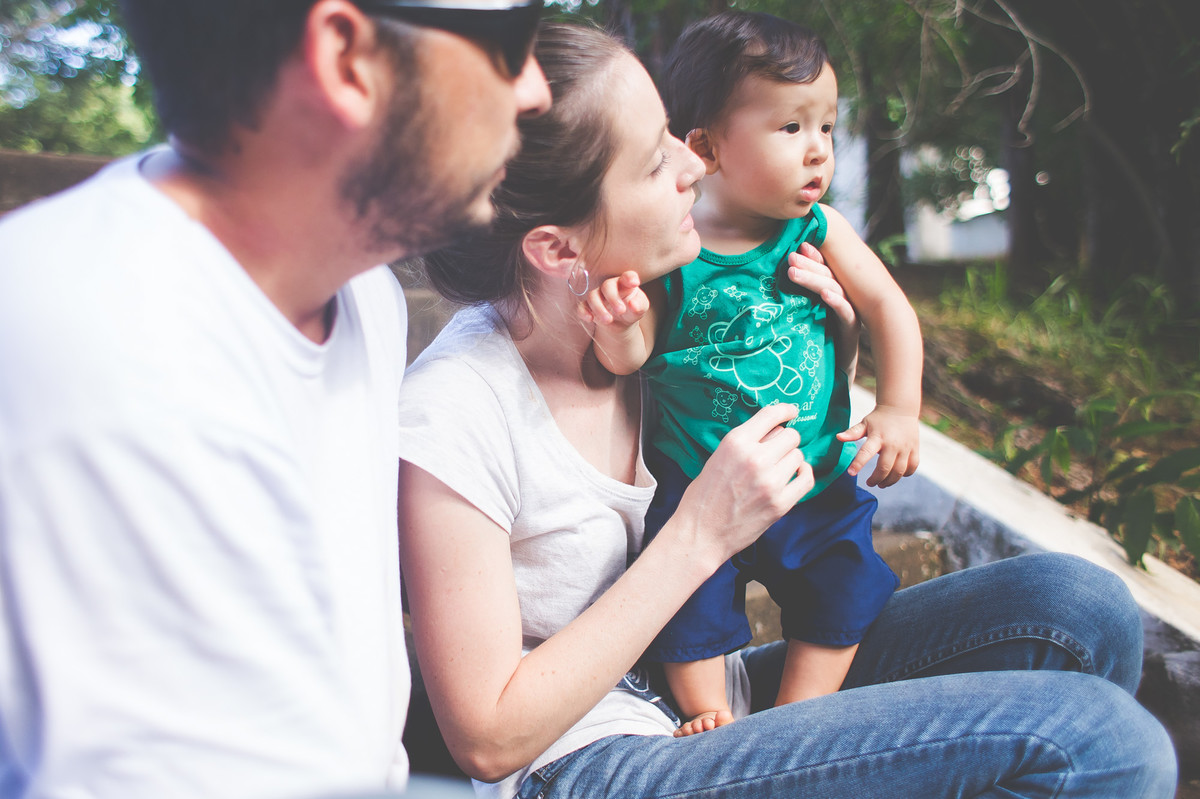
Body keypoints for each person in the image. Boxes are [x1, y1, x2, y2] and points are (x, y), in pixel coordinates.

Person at [396, 19, 1176, 799]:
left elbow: (788, 387)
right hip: (588, 763)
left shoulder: (654, 319)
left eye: (674, 134)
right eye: (650, 161)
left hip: (694, 698)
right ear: (559, 249)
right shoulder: (460, 405)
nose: (690, 164)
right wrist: (701, 530)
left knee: (1083, 609)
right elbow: (486, 735)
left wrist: (837, 348)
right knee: (1103, 743)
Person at [0, 1, 549, 796]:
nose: (535, 91)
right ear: (345, 56)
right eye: (512, 43)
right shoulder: (102, 342)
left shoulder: (361, 289)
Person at [579, 11, 924, 735]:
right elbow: (634, 356)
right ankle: (711, 713)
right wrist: (617, 326)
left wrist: (898, 407)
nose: (818, 154)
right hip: (703, 485)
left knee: (840, 584)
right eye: (791, 128)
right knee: (688, 597)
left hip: (813, 477)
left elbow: (891, 306)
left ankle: (797, 716)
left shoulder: (819, 230)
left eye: (826, 127)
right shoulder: (677, 244)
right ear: (705, 148)